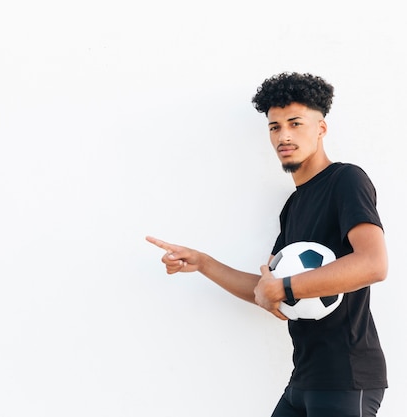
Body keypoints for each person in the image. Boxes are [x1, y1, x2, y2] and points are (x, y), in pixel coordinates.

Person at [146, 72, 388, 417]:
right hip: (304, 378)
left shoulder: (346, 180)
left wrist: (285, 287)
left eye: (295, 123)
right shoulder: (293, 206)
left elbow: (373, 264)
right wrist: (203, 263)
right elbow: (267, 289)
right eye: (274, 127)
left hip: (346, 377)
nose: (283, 136)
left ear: (321, 128)